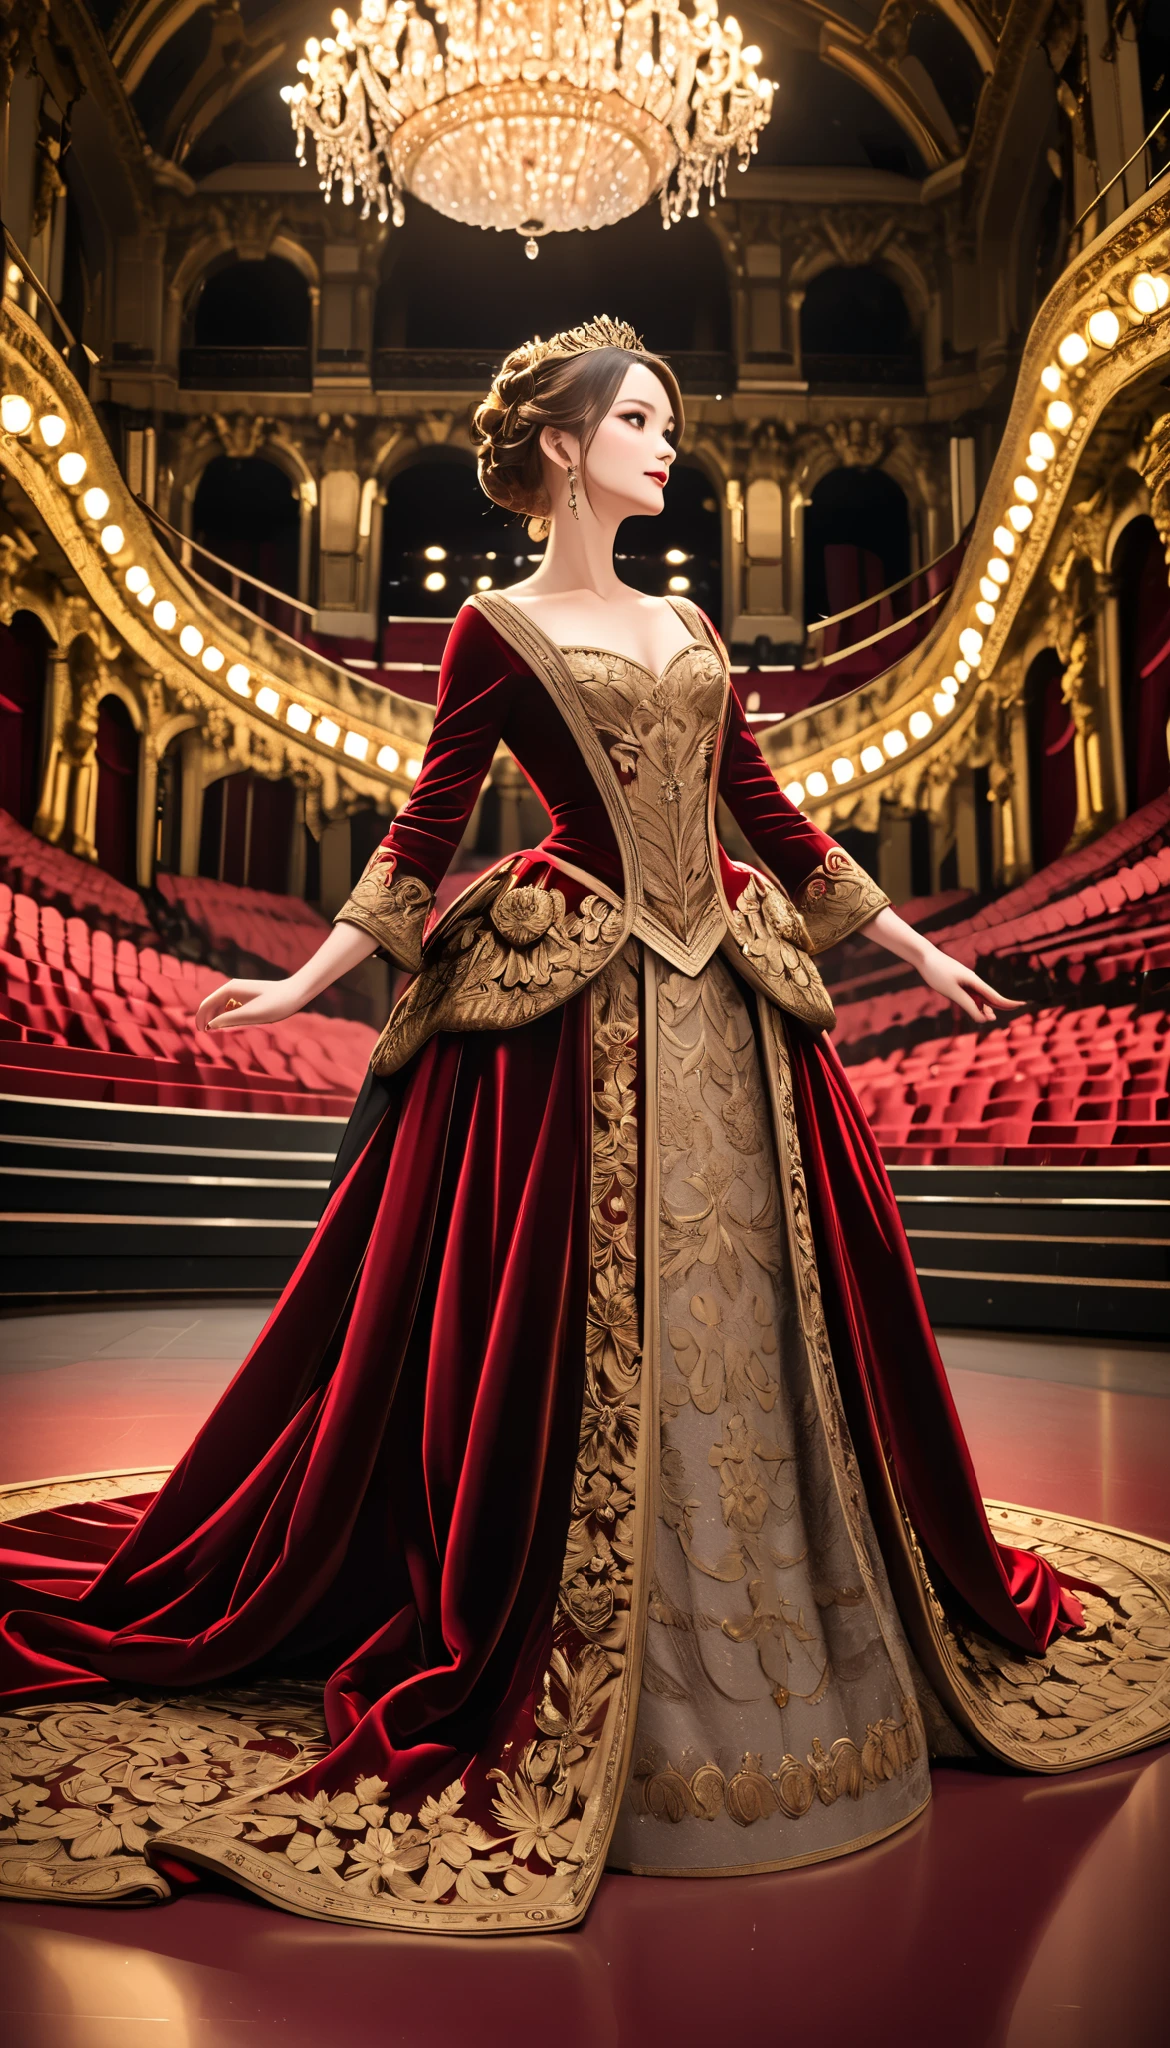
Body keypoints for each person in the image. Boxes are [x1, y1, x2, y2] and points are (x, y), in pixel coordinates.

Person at [0, 318, 1162, 1935]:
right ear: (558, 445)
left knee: (775, 1326)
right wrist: (307, 985)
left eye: (665, 420)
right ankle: (590, 1645)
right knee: (580, 1329)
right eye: (635, 417)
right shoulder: (489, 628)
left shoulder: (690, 614)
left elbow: (761, 805)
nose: (663, 440)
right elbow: (422, 824)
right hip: (575, 999)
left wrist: (908, 944)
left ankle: (796, 1635)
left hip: (732, 999)